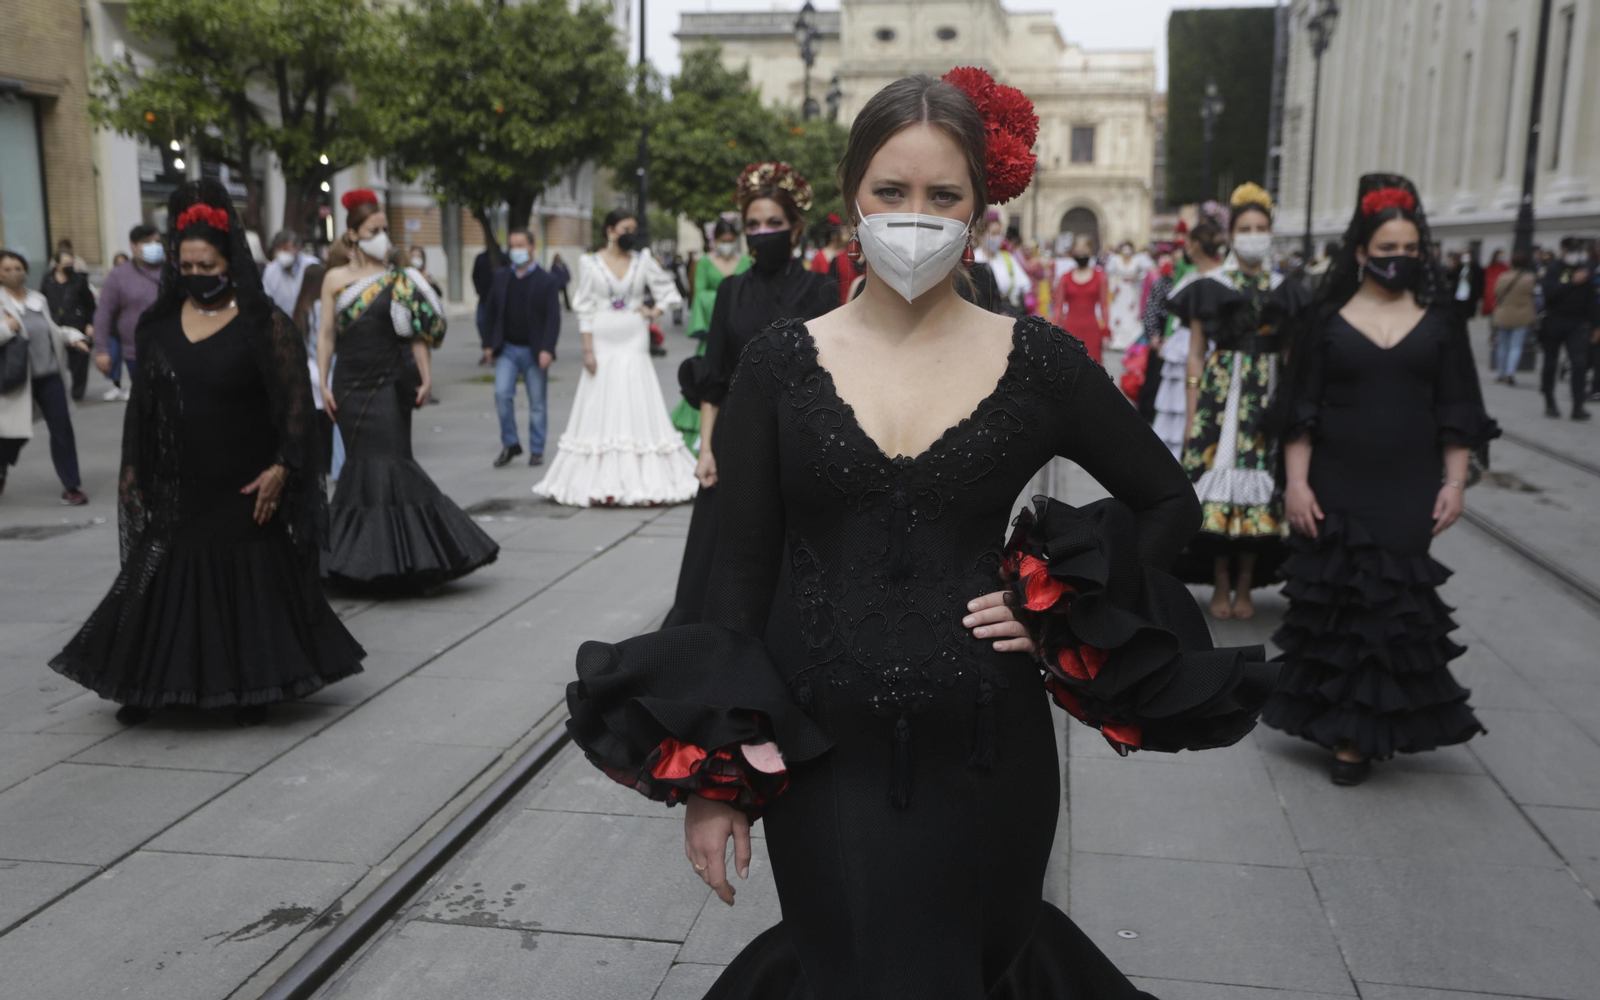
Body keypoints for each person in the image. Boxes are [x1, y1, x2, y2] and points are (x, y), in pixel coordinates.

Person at [566, 69, 1273, 999]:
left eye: (944, 196)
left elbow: (1166, 501)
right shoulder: (780, 366)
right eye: (891, 193)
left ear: (980, 211)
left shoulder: (1039, 362)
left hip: (991, 751)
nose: (915, 216)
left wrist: (1062, 609)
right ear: (853, 200)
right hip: (818, 759)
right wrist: (714, 779)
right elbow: (732, 577)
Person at [49, 180, 365, 726]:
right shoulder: (159, 326)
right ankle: (155, 681)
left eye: (207, 265)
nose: (197, 276)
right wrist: (135, 470)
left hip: (246, 485)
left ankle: (246, 683)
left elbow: (296, 410)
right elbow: (144, 408)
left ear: (230, 261)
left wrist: (282, 469)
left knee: (240, 584)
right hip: (180, 485)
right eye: (187, 265)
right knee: (169, 581)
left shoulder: (264, 325)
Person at [1263, 172, 1497, 785]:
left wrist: (1454, 484)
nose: (1399, 261)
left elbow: (1456, 411)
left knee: (1391, 602)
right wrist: (1297, 482)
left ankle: (1363, 731)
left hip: (1409, 484)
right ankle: (1346, 731)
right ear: (1362, 252)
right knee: (1343, 600)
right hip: (1336, 478)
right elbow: (1299, 409)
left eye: (1410, 252)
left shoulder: (1441, 321)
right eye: (1387, 251)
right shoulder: (1325, 317)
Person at [662, 162, 837, 628]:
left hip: (801, 441)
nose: (763, 233)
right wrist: (706, 449)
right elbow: (714, 375)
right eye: (753, 225)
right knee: (716, 563)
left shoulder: (822, 290)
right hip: (736, 441)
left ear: (795, 229)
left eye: (773, 224)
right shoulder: (730, 292)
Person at [317, 189, 498, 590]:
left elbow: (417, 334)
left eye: (385, 228)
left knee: (393, 460)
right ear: (353, 236)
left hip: (390, 384)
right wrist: (323, 382)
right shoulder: (334, 279)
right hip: (348, 385)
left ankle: (404, 557)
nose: (383, 236)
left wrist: (426, 375)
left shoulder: (401, 279)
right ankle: (359, 559)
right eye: (374, 229)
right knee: (358, 466)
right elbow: (326, 335)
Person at [1171, 183, 1307, 621]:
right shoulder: (1208, 286)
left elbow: (1292, 354)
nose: (1253, 234)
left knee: (1259, 494)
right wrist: (1193, 411)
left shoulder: (1287, 289)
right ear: (1231, 234)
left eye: (1261, 227)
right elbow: (1195, 350)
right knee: (1213, 489)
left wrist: (1289, 408)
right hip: (1219, 392)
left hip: (1266, 394)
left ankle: (1246, 581)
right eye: (1245, 227)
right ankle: (1222, 580)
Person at [532, 210, 697, 507]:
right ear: (610, 231)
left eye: (634, 228)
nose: (630, 233)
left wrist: (653, 312)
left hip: (634, 338)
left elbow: (670, 293)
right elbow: (584, 307)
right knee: (601, 398)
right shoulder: (589, 263)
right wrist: (587, 349)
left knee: (635, 393)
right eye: (625, 228)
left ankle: (642, 475)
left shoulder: (642, 260)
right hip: (603, 338)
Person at [1, 250, 90, 504]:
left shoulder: (37, 299)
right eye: (7, 269)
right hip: (15, 379)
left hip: (49, 375)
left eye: (18, 268)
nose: (13, 273)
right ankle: (1, 466)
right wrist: (8, 327)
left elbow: (54, 331)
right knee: (14, 433)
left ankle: (72, 486)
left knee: (62, 430)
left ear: (26, 271)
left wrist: (74, 337)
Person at [483, 228, 563, 467]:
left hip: (534, 350)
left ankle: (537, 449)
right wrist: (488, 344)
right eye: (512, 246)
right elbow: (490, 312)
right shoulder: (501, 277)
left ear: (531, 247)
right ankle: (510, 444)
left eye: (520, 245)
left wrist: (547, 349)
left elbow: (553, 318)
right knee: (501, 394)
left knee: (537, 402)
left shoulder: (547, 280)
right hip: (507, 348)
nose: (515, 250)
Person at [670, 219, 751, 453]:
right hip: (713, 331)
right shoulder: (704, 262)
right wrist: (727, 299)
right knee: (710, 377)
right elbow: (700, 295)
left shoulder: (745, 261)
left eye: (730, 240)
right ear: (715, 240)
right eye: (722, 241)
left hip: (740, 332)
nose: (726, 245)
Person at [93, 223, 165, 400]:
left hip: (172, 348)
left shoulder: (174, 269)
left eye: (157, 241)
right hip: (136, 352)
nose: (154, 246)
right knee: (147, 401)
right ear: (133, 245)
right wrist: (102, 350)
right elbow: (103, 314)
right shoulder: (118, 276)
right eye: (147, 242)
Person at [1537, 236, 1599, 420]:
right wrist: (1572, 282)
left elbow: (1591, 301)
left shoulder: (1585, 270)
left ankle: (1578, 406)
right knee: (1550, 363)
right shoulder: (1552, 269)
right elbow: (1549, 294)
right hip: (1554, 321)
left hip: (1577, 324)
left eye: (1577, 250)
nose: (1574, 254)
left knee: (1579, 364)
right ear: (1562, 250)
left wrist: (1597, 325)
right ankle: (1549, 401)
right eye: (1571, 250)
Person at [39, 247, 97, 400]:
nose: (69, 266)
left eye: (71, 263)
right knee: (57, 361)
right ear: (57, 264)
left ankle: (77, 392)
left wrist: (90, 323)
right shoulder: (48, 280)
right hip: (55, 325)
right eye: (66, 263)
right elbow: (42, 301)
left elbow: (90, 304)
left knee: (79, 363)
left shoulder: (79, 280)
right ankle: (59, 392)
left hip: (77, 325)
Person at [1051, 234, 1110, 362]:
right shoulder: (1064, 278)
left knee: (1092, 372)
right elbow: (1058, 308)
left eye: (1084, 252)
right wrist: (1055, 331)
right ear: (1073, 253)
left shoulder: (1100, 276)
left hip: (1092, 331)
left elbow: (1104, 306)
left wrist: (1106, 331)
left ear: (1091, 252)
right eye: (1078, 252)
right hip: (1069, 330)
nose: (1081, 255)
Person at [1490, 249, 1538, 385]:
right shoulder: (1530, 279)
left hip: (1503, 313)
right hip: (1522, 315)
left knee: (1502, 345)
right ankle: (1510, 372)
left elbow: (1496, 292)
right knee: (1516, 346)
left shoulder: (1503, 277)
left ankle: (1500, 373)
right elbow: (1534, 295)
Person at [1106, 240, 1153, 350]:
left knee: (1131, 315)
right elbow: (1109, 273)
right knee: (1118, 314)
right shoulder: (1116, 260)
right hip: (1120, 292)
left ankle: (1131, 341)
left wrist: (1137, 278)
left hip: (1132, 291)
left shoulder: (1137, 260)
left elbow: (1148, 272)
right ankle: (1116, 340)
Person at [473, 241, 502, 365]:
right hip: (484, 299)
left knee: (497, 325)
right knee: (481, 322)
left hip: (499, 300)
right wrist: (479, 290)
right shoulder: (481, 258)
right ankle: (487, 349)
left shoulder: (503, 257)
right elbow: (474, 275)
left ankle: (495, 351)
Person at [1445, 248, 1484, 324]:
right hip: (1459, 294)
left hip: (1470, 295)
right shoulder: (1459, 267)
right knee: (1458, 315)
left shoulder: (1476, 268)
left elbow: (1480, 282)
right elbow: (1450, 277)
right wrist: (1450, 267)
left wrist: (1479, 295)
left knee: (1465, 316)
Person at [1481, 248, 1509, 317]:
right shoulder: (1489, 268)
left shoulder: (1506, 268)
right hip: (1490, 295)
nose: (1501, 258)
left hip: (1501, 295)